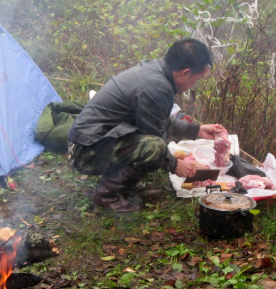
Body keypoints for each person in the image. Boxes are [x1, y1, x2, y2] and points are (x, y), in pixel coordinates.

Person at [68, 38, 226, 212]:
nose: (194, 84)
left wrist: (197, 130)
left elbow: (159, 119)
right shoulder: (156, 87)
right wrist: (175, 164)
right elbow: (155, 139)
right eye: (198, 79)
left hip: (94, 141)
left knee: (153, 146)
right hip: (86, 152)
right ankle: (107, 195)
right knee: (154, 147)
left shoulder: (155, 72)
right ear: (186, 73)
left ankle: (124, 187)